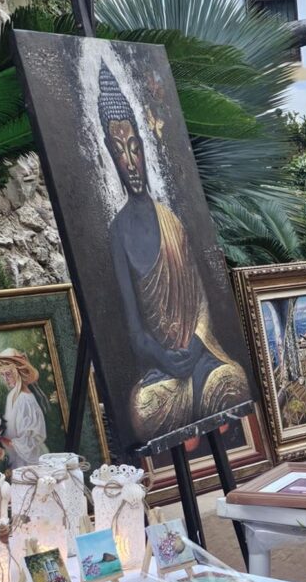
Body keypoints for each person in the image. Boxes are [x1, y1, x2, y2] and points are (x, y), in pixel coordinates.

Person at [98, 62, 251, 440]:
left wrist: (196, 345)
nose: (131, 163)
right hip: (164, 369)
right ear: (108, 153)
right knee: (144, 411)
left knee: (234, 382)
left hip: (199, 357)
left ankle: (200, 392)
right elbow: (135, 329)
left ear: (145, 151)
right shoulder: (118, 233)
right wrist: (165, 357)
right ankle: (195, 399)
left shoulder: (173, 221)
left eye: (135, 149)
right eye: (121, 153)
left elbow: (200, 300)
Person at [0, 348, 48, 469]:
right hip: (16, 455)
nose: (5, 379)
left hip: (30, 461)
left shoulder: (24, 399)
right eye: (2, 375)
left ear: (19, 372)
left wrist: (5, 441)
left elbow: (32, 439)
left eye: (8, 374)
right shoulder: (12, 395)